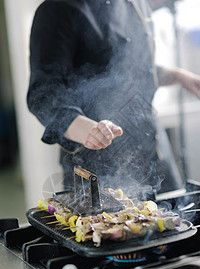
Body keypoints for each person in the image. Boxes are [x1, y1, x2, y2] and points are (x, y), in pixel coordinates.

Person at [27, 0, 200, 196]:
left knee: (176, 222)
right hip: (99, 167)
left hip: (154, 153)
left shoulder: (134, 2)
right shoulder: (57, 9)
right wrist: (89, 130)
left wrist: (180, 77)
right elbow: (43, 93)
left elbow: (131, 72)